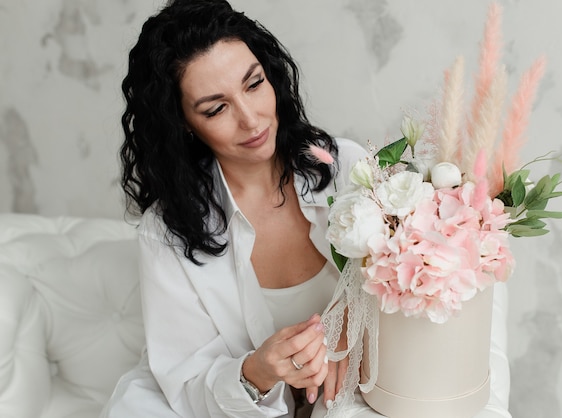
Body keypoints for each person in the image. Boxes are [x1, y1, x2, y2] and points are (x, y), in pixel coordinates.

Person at [101, 1, 512, 417]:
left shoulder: (346, 168)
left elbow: (426, 281)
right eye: (216, 108)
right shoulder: (166, 231)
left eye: (254, 83)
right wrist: (256, 372)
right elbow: (187, 381)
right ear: (183, 122)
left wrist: (353, 318)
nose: (251, 118)